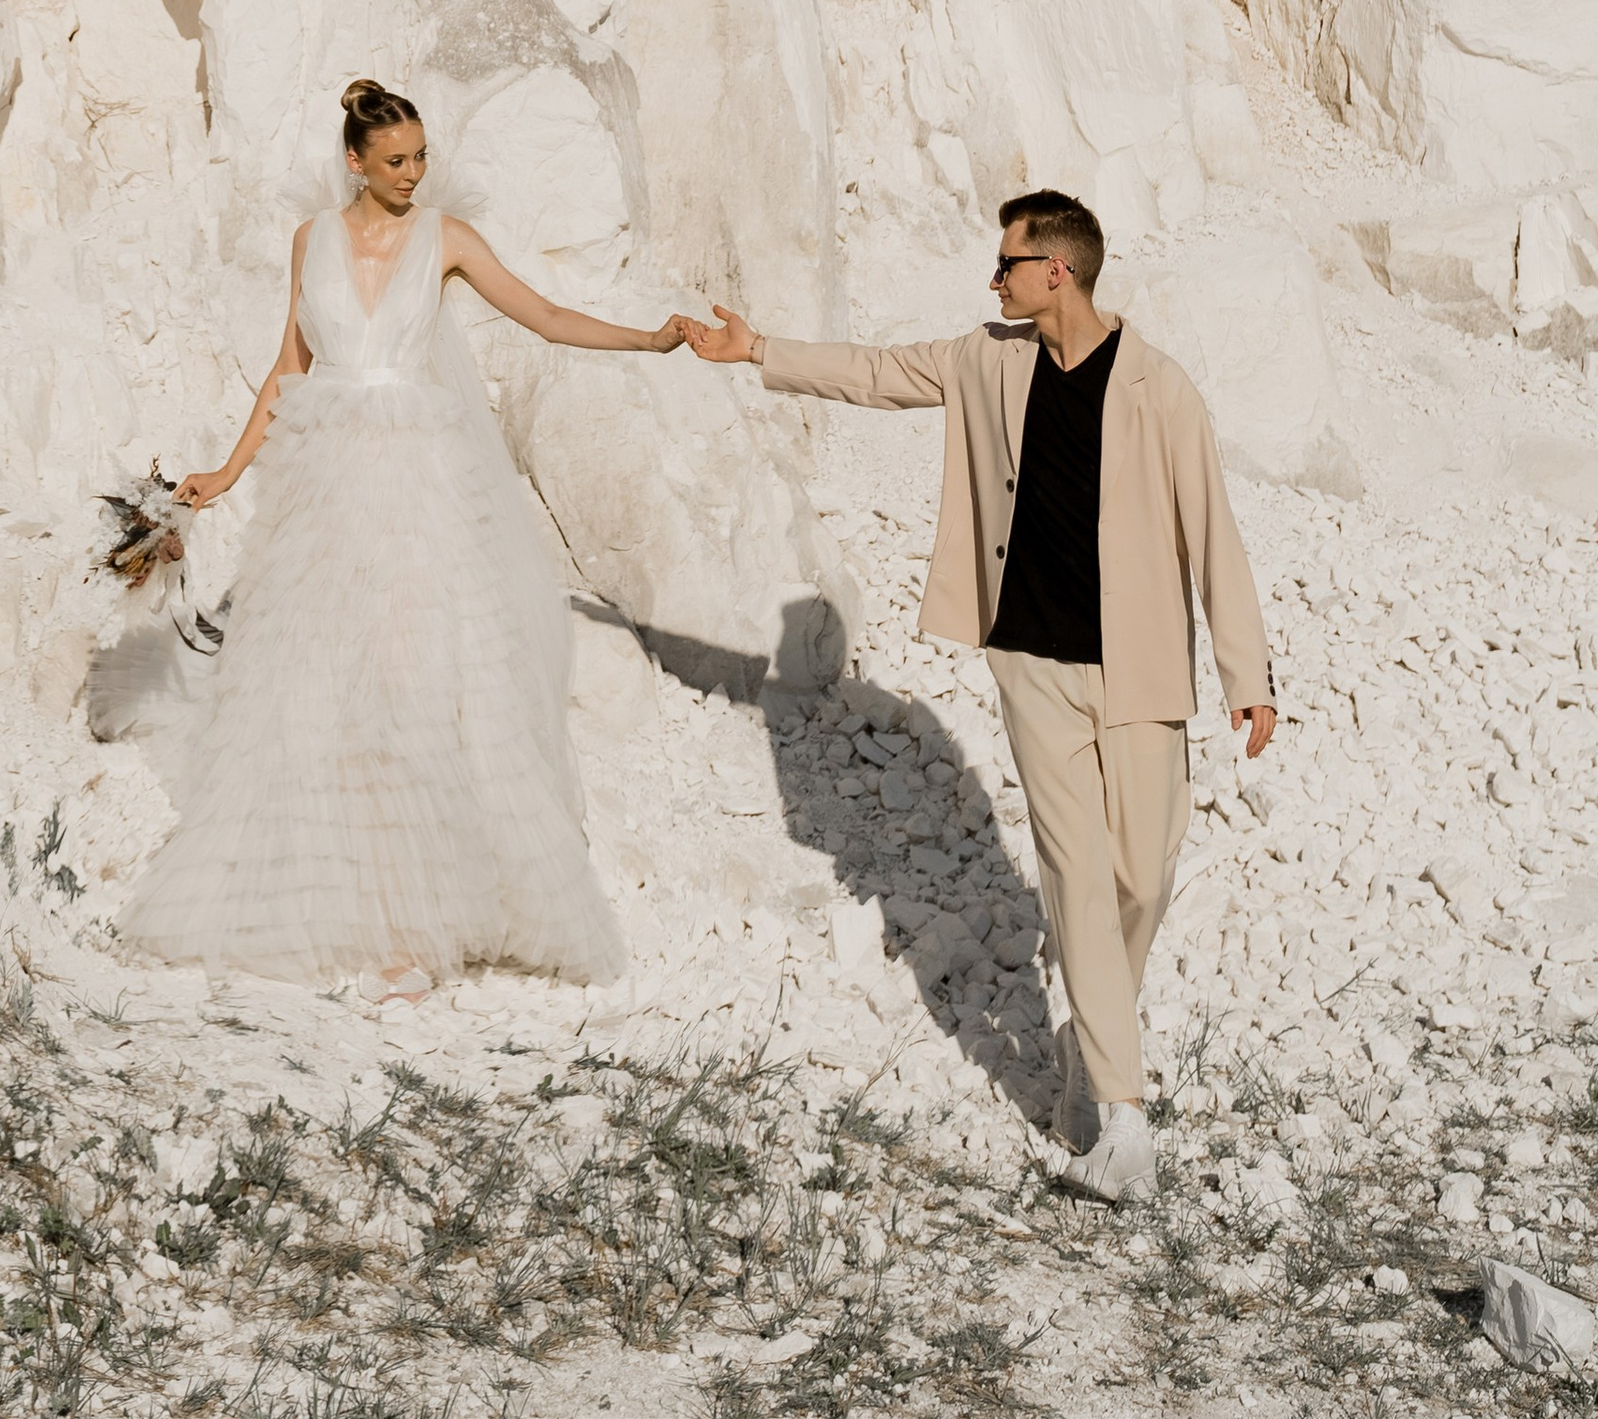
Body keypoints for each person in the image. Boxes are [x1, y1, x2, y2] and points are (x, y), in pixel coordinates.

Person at [687, 187, 1274, 1202]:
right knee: (1077, 877)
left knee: (1144, 874)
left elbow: (1210, 532)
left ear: (1058, 271)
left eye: (1005, 263)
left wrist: (1245, 673)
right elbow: (875, 375)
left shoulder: (1159, 390)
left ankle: (1092, 1036)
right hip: (1029, 664)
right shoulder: (987, 358)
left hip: (1137, 670)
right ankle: (1123, 1123)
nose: (991, 279)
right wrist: (756, 352)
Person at [125, 76, 687, 994]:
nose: (414, 175)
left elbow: (544, 315)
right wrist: (223, 475)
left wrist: (647, 339)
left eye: (422, 157)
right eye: (396, 161)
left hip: (418, 487)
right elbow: (288, 367)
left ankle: (417, 931)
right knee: (317, 685)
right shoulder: (311, 241)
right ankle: (328, 901)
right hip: (324, 486)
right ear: (354, 160)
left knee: (412, 683)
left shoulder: (449, 240)